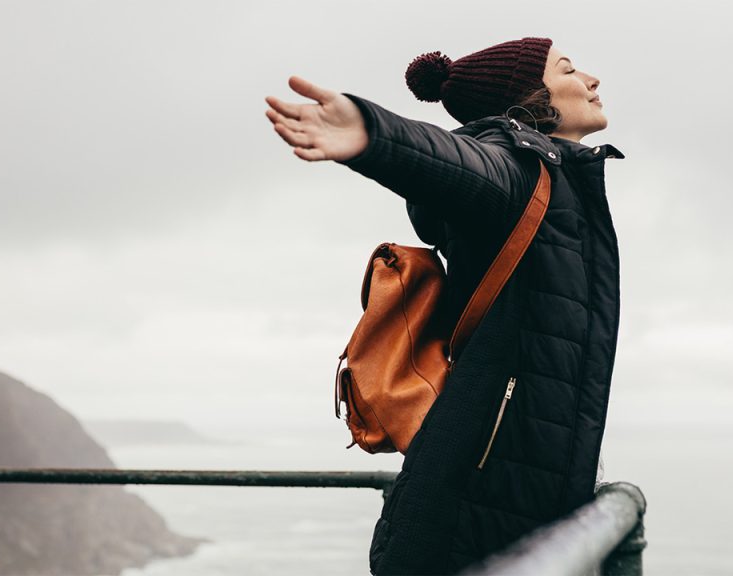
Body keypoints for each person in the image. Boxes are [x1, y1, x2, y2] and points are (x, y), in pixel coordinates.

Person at [265, 37, 624, 575]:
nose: (592, 79)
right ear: (528, 97)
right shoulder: (515, 168)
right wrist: (375, 135)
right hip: (466, 516)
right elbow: (458, 161)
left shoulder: (563, 182)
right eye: (569, 69)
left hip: (512, 509)